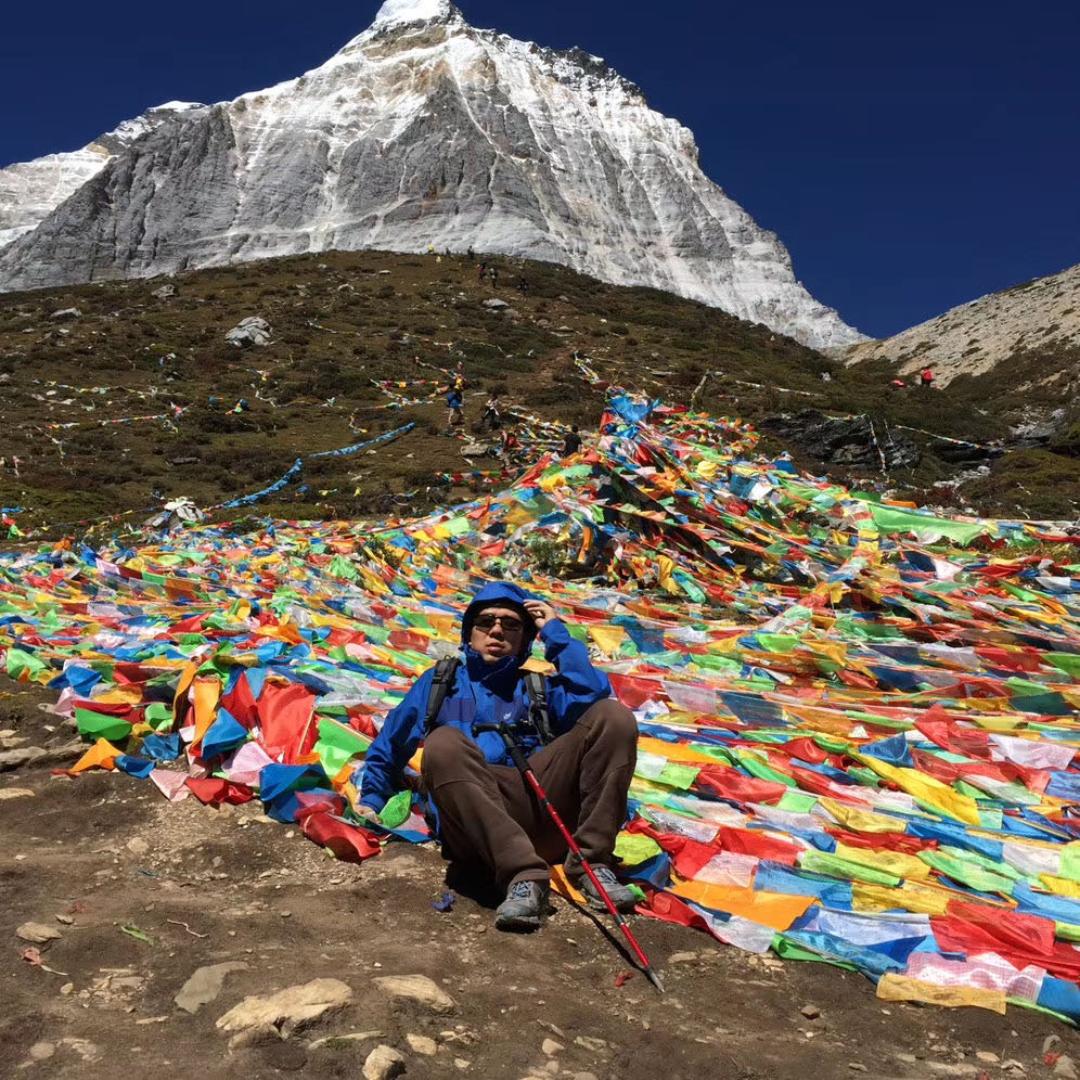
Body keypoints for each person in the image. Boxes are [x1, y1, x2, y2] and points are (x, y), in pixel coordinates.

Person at [358, 583, 638, 930]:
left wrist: (555, 633)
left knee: (614, 717)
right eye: (485, 621)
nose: (496, 630)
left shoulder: (537, 688)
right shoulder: (439, 685)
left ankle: (591, 864)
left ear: (525, 638)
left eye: (511, 624)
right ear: (469, 633)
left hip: (539, 810)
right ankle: (524, 876)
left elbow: (592, 691)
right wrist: (371, 798)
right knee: (444, 742)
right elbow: (390, 745)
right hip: (474, 829)